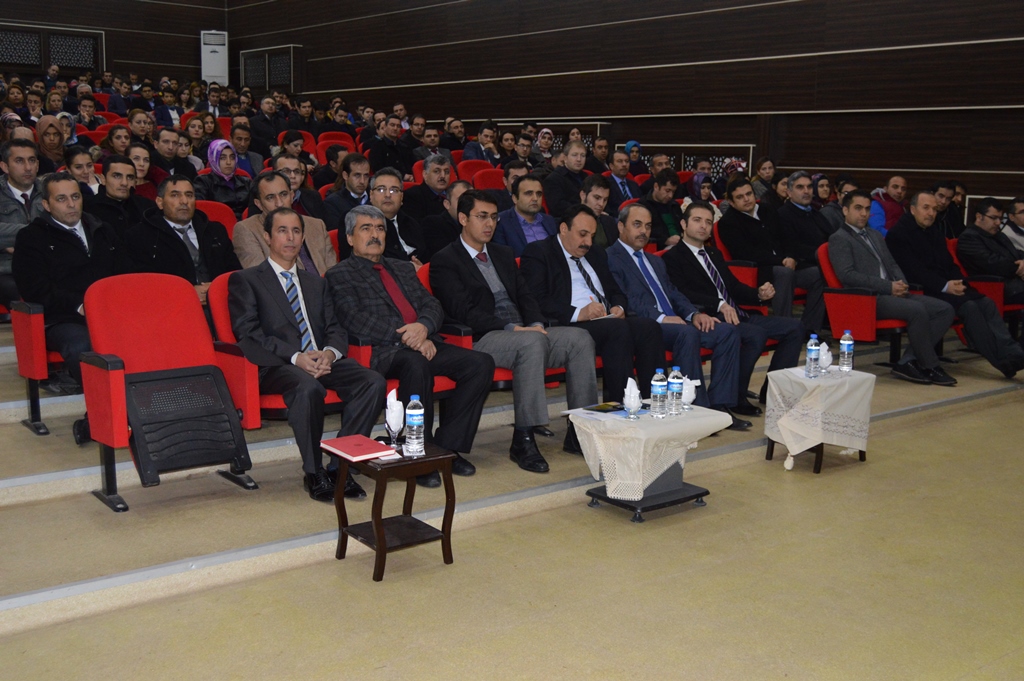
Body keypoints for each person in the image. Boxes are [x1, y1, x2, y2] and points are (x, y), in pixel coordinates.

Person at [430, 190, 599, 471]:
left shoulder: (503, 253)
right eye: (481, 216)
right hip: (482, 338)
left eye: (494, 217)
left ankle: (579, 431)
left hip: (523, 333)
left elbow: (526, 296)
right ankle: (523, 437)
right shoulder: (446, 259)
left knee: (579, 338)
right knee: (531, 343)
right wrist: (512, 328)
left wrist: (535, 324)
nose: (489, 223)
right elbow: (463, 311)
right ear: (463, 218)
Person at [326, 204, 493, 486]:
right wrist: (409, 337)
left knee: (480, 363)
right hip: (381, 351)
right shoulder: (339, 274)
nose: (375, 234)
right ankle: (417, 453)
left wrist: (423, 327)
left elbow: (432, 304)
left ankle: (446, 447)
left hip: (423, 340)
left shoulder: (402, 268)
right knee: (415, 364)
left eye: (380, 228)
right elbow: (354, 320)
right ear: (350, 238)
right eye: (366, 229)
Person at [229, 207, 384, 500]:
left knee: (372, 381)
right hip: (277, 365)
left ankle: (340, 466)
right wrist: (296, 357)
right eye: (282, 231)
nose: (290, 237)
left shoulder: (316, 283)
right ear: (267, 237)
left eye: (296, 231)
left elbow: (335, 327)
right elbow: (248, 334)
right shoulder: (247, 280)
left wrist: (330, 354)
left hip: (319, 359)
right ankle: (313, 472)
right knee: (308, 387)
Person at [603, 203, 745, 427]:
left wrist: (693, 314)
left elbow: (673, 293)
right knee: (687, 334)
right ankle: (698, 409)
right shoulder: (610, 258)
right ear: (621, 226)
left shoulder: (655, 260)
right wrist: (662, 318)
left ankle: (720, 406)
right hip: (647, 325)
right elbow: (626, 297)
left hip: (677, 322)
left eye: (648, 226)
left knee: (727, 332)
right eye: (637, 225)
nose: (644, 231)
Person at [661, 201, 804, 408]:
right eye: (697, 220)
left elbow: (733, 287)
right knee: (755, 334)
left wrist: (758, 294)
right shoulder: (672, 257)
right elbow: (682, 293)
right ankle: (735, 396)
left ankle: (774, 393)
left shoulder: (713, 254)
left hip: (737, 313)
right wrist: (719, 304)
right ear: (683, 224)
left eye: (708, 222)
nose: (703, 226)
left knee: (795, 327)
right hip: (710, 317)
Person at [520, 204, 665, 404]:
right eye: (582, 234)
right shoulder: (539, 252)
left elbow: (615, 291)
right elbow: (536, 299)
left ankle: (655, 402)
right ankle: (622, 404)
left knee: (649, 327)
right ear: (564, 229)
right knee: (617, 329)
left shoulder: (596, 253)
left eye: (592, 235)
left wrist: (619, 307)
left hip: (606, 319)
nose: (588, 242)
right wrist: (579, 313)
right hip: (571, 324)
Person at [13, 172, 133, 403]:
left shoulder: (102, 229)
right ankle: (109, 408)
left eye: (75, 197)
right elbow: (35, 289)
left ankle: (147, 401)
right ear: (46, 205)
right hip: (62, 318)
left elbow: (125, 274)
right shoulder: (31, 237)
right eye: (61, 199)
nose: (71, 204)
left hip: (110, 311)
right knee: (83, 344)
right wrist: (80, 305)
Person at [887, 191, 1024, 379]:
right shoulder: (898, 235)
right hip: (925, 289)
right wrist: (946, 286)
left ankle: (1014, 353)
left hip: (946, 285)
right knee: (970, 307)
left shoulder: (934, 231)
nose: (931, 213)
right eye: (926, 208)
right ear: (912, 209)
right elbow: (913, 272)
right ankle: (1003, 362)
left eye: (934, 209)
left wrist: (960, 283)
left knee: (986, 302)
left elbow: (949, 264)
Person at [828, 189, 957, 385]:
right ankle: (931, 365)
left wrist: (901, 284)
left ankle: (909, 360)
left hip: (893, 292)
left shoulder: (874, 234)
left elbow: (892, 264)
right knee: (917, 310)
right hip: (869, 298)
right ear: (845, 210)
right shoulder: (839, 238)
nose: (864, 213)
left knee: (944, 309)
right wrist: (888, 287)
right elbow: (848, 276)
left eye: (867, 209)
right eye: (858, 208)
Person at [717, 176, 826, 332]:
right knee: (784, 273)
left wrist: (791, 256)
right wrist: (781, 260)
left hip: (786, 264)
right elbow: (745, 253)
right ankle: (787, 328)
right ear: (732, 202)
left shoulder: (767, 210)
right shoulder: (728, 222)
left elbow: (786, 238)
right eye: (740, 197)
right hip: (760, 271)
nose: (746, 199)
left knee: (818, 274)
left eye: (749, 194)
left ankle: (810, 330)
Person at [233, 170, 336, 275]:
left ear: (292, 196)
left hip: (324, 283)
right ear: (258, 204)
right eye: (270, 197)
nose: (279, 203)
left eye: (283, 194)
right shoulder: (247, 230)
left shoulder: (316, 225)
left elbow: (333, 270)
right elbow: (261, 277)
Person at [776, 172, 836, 311]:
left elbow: (832, 237)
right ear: (789, 192)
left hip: (822, 261)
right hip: (799, 267)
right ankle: (811, 323)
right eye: (800, 187)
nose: (806, 191)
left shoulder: (815, 212)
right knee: (822, 275)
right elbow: (792, 247)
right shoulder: (783, 214)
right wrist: (824, 255)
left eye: (809, 187)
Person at [0, 139, 46, 306]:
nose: (28, 167)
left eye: (32, 160)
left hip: (47, 265)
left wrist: (18, 244)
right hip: (6, 270)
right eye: (19, 161)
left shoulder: (50, 191)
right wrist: (34, 234)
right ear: (5, 167)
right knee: (24, 292)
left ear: (38, 165)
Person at [956, 198, 1024, 304]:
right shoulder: (969, 238)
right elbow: (992, 263)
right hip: (996, 286)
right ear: (979, 216)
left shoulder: (998, 235)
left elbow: (1016, 253)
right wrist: (1019, 269)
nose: (998, 223)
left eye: (1000, 218)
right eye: (993, 218)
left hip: (1015, 282)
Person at [84, 154, 155, 239]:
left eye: (130, 177)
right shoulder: (87, 208)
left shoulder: (147, 208)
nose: (124, 183)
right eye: (117, 176)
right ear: (103, 179)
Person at [368, 167, 426, 265]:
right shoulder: (361, 224)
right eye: (381, 189)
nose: (388, 195)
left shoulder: (412, 223)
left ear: (401, 197)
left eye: (394, 190)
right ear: (371, 195)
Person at [493, 174, 558, 257]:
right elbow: (502, 258)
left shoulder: (549, 220)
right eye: (529, 193)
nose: (535, 198)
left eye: (539, 194)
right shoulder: (501, 222)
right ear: (515, 198)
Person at [193, 140, 252, 218]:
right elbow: (201, 210)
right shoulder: (203, 182)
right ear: (213, 159)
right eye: (222, 158)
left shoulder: (246, 182)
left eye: (232, 157)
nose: (228, 162)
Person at [323, 152, 371, 237]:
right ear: (345, 175)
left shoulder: (376, 198)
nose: (362, 181)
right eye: (357, 175)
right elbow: (338, 236)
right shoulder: (332, 203)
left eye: (366, 176)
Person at [419, 180, 470, 260]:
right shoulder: (433, 223)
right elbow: (444, 257)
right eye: (461, 200)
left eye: (471, 201)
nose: (467, 205)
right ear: (447, 204)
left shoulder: (479, 223)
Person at [638, 169, 684, 249]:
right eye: (667, 191)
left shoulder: (674, 205)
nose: (670, 196)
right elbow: (642, 234)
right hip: (660, 248)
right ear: (656, 186)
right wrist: (665, 241)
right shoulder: (643, 206)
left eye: (673, 192)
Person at [271, 154, 326, 221]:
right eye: (286, 171)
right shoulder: (266, 199)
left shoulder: (313, 196)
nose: (293, 176)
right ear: (274, 174)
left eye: (297, 172)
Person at [542, 140, 587, 220]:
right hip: (566, 220)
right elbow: (558, 207)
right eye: (574, 155)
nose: (579, 159)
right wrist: (584, 208)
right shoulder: (553, 179)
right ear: (565, 158)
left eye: (583, 155)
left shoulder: (587, 177)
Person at [402, 153, 451, 223]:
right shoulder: (412, 196)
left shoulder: (454, 194)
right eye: (437, 171)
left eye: (446, 172)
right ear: (425, 174)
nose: (443, 176)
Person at [580, 174, 618, 247]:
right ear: (583, 195)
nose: (601, 204)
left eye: (605, 200)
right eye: (597, 198)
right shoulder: (570, 222)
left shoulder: (609, 222)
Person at [605, 150, 640, 215]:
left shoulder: (634, 185)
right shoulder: (606, 184)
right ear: (611, 166)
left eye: (627, 161)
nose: (624, 164)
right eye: (620, 161)